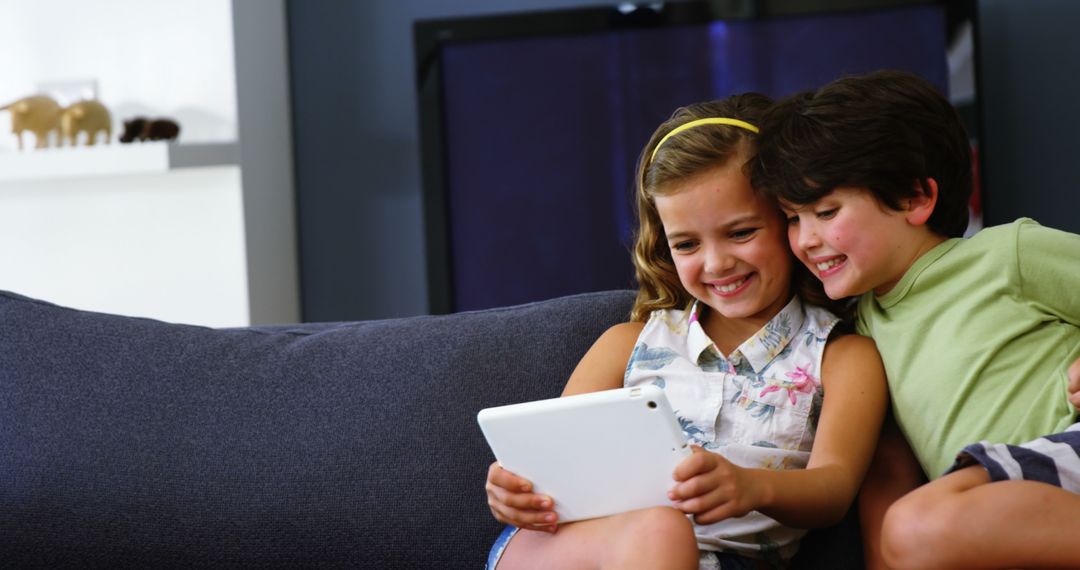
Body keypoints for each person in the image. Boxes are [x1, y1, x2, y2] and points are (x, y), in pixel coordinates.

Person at [484, 94, 888, 570]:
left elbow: (834, 489)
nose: (716, 263)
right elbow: (551, 463)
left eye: (740, 233)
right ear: (664, 246)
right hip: (578, 548)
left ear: (787, 219)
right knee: (659, 529)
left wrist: (752, 485)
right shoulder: (625, 345)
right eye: (688, 244)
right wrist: (514, 489)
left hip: (724, 561)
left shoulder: (842, 357)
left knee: (663, 534)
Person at [750, 69, 1080, 569]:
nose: (805, 240)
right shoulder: (859, 333)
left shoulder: (1004, 255)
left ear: (915, 199)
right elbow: (888, 470)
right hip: (1009, 506)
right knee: (911, 532)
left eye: (826, 210)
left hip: (1064, 454)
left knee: (917, 526)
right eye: (793, 218)